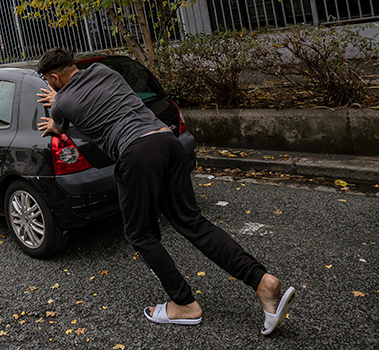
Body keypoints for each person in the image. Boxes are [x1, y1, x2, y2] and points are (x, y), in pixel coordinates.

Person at [35, 48, 294, 335]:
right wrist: (61, 96)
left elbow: (59, 125)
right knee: (192, 222)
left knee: (140, 234)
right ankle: (263, 281)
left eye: (49, 80)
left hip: (136, 153)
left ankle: (184, 304)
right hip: (166, 140)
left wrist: (56, 104)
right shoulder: (102, 70)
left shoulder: (63, 102)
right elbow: (89, 95)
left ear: (54, 78)